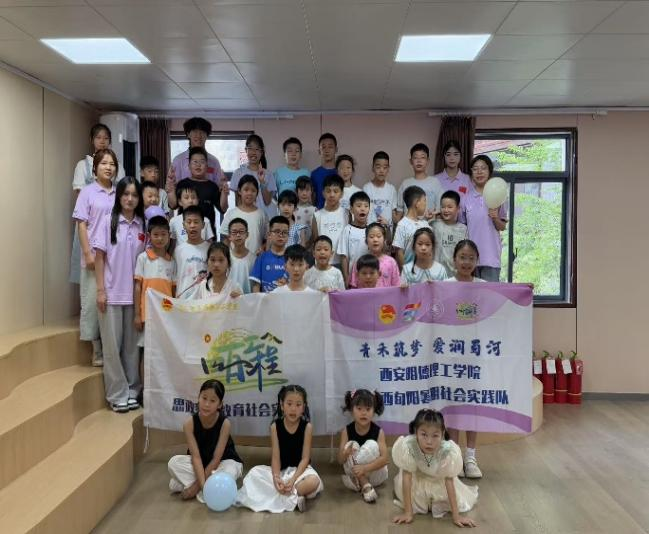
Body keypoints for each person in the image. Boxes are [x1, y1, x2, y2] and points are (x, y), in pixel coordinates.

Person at [93, 177, 145, 413]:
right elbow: (99, 258)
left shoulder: (142, 224)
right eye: (125, 194)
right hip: (112, 294)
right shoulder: (108, 221)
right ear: (119, 196)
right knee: (112, 349)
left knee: (132, 348)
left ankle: (132, 390)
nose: (130, 199)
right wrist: (100, 290)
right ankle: (117, 394)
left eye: (134, 195)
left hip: (135, 297)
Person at [236, 385, 323, 513]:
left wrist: (293, 480)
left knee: (313, 481)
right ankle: (294, 497)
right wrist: (276, 478)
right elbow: (276, 458)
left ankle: (291, 494)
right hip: (281, 472)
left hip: (300, 472)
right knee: (254, 473)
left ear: (303, 407)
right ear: (282, 406)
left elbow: (305, 459)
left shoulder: (307, 427)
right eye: (289, 404)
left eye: (298, 405)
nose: (293, 408)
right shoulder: (275, 427)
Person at [72, 148, 118, 367]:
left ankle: (111, 348)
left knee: (111, 303)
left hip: (114, 258)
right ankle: (96, 350)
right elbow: (81, 224)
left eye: (112, 164)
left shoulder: (120, 192)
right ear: (95, 168)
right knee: (92, 303)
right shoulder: (87, 192)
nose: (108, 167)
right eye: (104, 163)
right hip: (93, 257)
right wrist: (87, 253)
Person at [392, 409, 478, 526]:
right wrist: (408, 512)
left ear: (442, 434)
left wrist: (456, 516)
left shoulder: (447, 450)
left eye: (435, 436)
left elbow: (449, 481)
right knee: (413, 494)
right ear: (416, 432)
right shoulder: (409, 446)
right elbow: (407, 477)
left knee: (445, 498)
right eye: (424, 435)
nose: (429, 441)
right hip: (416, 478)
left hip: (439, 478)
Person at [444, 240, 484, 478]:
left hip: (475, 357)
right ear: (454, 260)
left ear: (477, 261)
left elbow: (506, 301)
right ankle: (455, 457)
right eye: (462, 257)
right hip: (451, 356)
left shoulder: (484, 287)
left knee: (472, 407)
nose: (466, 262)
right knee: (454, 407)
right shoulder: (445, 285)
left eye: (471, 258)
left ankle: (470, 457)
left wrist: (524, 290)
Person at [168, 379, 243, 503]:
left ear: (220, 404)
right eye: (204, 398)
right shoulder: (189, 424)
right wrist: (203, 486)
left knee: (229, 471)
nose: (207, 404)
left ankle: (188, 484)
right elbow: (196, 457)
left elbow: (216, 459)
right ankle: (212, 488)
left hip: (223, 462)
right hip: (201, 463)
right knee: (173, 463)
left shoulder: (225, 424)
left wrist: (196, 487)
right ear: (198, 398)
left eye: (212, 401)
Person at [70, 124, 124, 285]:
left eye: (106, 138)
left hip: (112, 225)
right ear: (92, 140)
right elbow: (80, 197)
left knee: (112, 278)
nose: (102, 141)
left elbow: (124, 195)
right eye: (98, 137)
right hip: (90, 223)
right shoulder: (83, 165)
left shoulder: (118, 166)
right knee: (90, 278)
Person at [337, 389, 389, 503]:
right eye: (359, 408)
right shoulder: (346, 431)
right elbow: (340, 460)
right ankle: (364, 483)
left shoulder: (379, 431)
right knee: (351, 445)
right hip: (354, 473)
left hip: (375, 474)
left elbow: (385, 459)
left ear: (374, 411)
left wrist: (365, 468)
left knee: (372, 444)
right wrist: (345, 454)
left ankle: (362, 483)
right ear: (352, 410)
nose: (363, 413)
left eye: (368, 409)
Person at [462, 155, 507, 282]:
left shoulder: (499, 196)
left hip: (491, 258)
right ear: (471, 173)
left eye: (483, 168)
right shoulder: (465, 199)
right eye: (475, 169)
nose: (479, 172)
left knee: (490, 294)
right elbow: (462, 228)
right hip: (470, 258)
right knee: (471, 295)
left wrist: (495, 218)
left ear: (489, 172)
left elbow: (502, 227)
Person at [133, 216, 176, 349]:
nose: (160, 238)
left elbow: (173, 292)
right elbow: (137, 288)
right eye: (156, 235)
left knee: (163, 350)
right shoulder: (143, 258)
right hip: (148, 315)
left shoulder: (172, 262)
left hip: (166, 315)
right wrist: (137, 315)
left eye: (163, 234)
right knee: (147, 350)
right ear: (149, 236)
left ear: (169, 235)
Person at [171, 147, 225, 236]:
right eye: (195, 162)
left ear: (207, 166)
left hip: (207, 234)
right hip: (184, 233)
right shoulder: (182, 184)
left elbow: (223, 208)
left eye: (202, 162)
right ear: (189, 166)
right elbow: (173, 205)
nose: (198, 165)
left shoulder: (212, 186)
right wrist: (170, 190)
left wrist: (224, 193)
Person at [166, 116, 226, 187]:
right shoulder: (178, 160)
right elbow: (173, 187)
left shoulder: (214, 161)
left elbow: (219, 187)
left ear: (207, 136)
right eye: (195, 131)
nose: (199, 135)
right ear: (188, 134)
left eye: (202, 132)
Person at [230, 134, 277, 218]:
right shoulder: (238, 173)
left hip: (266, 217)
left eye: (257, 149)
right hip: (247, 218)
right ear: (246, 150)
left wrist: (262, 182)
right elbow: (238, 202)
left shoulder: (268, 174)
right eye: (250, 148)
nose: (253, 152)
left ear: (261, 152)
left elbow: (267, 201)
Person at [220, 175, 268, 255]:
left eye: (253, 190)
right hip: (235, 259)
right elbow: (225, 238)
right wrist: (227, 255)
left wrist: (262, 249)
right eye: (246, 190)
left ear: (257, 193)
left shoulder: (262, 214)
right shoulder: (231, 214)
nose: (249, 193)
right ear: (239, 191)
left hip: (256, 258)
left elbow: (267, 238)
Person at [396, 143, 443, 222]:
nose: (419, 161)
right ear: (411, 161)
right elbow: (400, 211)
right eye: (415, 158)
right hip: (409, 228)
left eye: (422, 157)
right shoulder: (405, 184)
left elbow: (440, 209)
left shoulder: (435, 182)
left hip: (430, 227)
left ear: (428, 161)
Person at [173, 205, 210, 300]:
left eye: (196, 222)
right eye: (189, 222)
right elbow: (174, 278)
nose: (192, 225)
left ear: (203, 225)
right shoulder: (178, 250)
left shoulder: (210, 249)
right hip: (182, 300)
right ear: (183, 225)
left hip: (204, 300)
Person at [349, 223, 400, 289]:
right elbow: (353, 288)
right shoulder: (360, 262)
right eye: (371, 237)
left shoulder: (391, 262)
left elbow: (397, 286)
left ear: (384, 240)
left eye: (379, 236)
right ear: (366, 241)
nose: (375, 240)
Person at [312, 174, 347, 267]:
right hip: (323, 264)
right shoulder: (317, 215)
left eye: (336, 191)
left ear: (342, 193)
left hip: (342, 263)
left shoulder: (347, 214)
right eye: (328, 191)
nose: (332, 195)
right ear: (323, 193)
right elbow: (316, 241)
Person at [393, 186, 432, 269]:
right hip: (410, 272)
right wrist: (407, 272)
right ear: (417, 203)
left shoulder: (425, 223)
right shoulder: (402, 225)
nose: (426, 204)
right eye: (424, 200)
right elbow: (399, 252)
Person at [337, 191, 370, 287]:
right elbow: (344, 256)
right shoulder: (347, 230)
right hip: (353, 279)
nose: (362, 209)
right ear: (351, 209)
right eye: (359, 206)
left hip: (370, 277)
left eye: (366, 206)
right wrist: (346, 276)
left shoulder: (371, 230)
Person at [169, 182, 214, 251]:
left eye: (193, 197)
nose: (190, 201)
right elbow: (172, 245)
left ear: (198, 200)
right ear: (180, 201)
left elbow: (210, 243)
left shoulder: (205, 220)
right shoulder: (174, 221)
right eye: (186, 198)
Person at [432, 190, 468, 276]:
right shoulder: (435, 225)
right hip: (437, 275)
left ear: (458, 208)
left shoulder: (463, 229)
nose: (446, 210)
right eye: (443, 207)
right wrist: (428, 217)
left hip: (456, 276)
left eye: (449, 207)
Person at [250, 216, 290, 293]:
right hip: (266, 300)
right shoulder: (261, 258)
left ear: (288, 235)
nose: (281, 235)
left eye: (285, 232)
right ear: (269, 234)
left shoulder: (292, 259)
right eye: (277, 231)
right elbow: (256, 286)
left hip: (287, 299)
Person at [363, 151, 398, 227]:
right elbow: (363, 212)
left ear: (388, 169)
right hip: (370, 231)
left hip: (387, 231)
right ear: (373, 168)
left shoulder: (392, 189)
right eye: (378, 167)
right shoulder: (366, 188)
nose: (381, 171)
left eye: (385, 167)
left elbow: (394, 215)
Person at [227, 218, 256, 294]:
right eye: (234, 232)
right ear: (229, 236)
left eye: (241, 232)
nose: (238, 235)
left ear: (247, 234)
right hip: (229, 298)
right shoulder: (225, 258)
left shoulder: (254, 259)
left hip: (248, 299)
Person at [311, 133, 338, 209]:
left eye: (330, 147)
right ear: (319, 151)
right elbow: (312, 198)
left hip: (339, 213)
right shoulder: (314, 174)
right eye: (323, 147)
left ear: (336, 149)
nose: (327, 150)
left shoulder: (342, 173)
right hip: (320, 213)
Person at [294, 175, 316, 244]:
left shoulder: (315, 210)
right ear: (296, 191)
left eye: (307, 190)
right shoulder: (292, 209)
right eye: (301, 190)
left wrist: (308, 245)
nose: (304, 193)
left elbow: (315, 233)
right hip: (294, 247)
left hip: (310, 246)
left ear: (311, 191)